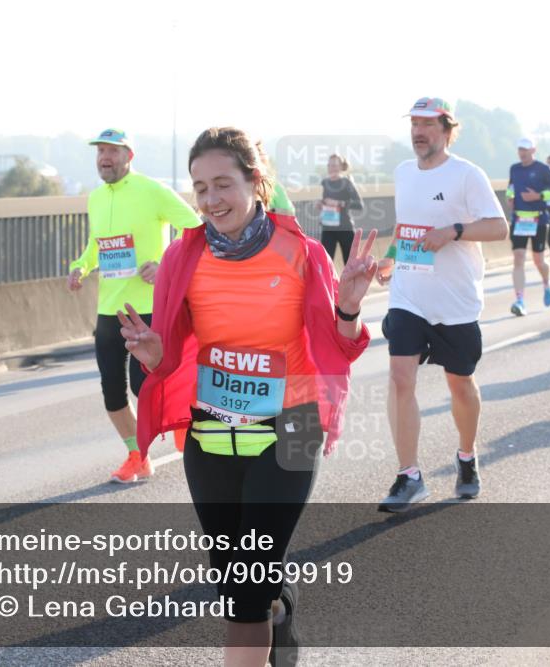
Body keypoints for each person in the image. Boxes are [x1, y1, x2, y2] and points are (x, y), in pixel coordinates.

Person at [121, 126, 375, 667]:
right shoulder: (182, 259)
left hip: (293, 423)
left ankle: (265, 608)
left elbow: (340, 349)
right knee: (235, 574)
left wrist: (348, 309)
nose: (211, 200)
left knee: (246, 586)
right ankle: (278, 611)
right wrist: (152, 357)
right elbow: (172, 357)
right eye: (200, 188)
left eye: (223, 184)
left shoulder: (301, 253)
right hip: (213, 425)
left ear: (255, 183)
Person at [375, 96, 508, 511]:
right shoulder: (402, 173)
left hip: (455, 300)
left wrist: (453, 230)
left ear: (447, 130)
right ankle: (409, 475)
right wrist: (392, 259)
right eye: (414, 123)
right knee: (400, 378)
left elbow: (499, 227)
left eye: (428, 124)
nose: (418, 131)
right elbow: (406, 227)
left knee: (459, 383)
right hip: (409, 294)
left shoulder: (467, 175)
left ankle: (466, 457)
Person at [68, 128, 200, 483]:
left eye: (112, 151)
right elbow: (95, 247)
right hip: (109, 309)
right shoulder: (96, 197)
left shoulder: (152, 190)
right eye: (100, 152)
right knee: (112, 390)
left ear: (129, 155)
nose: (104, 158)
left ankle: (182, 422)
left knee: (144, 386)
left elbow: (196, 229)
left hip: (149, 308)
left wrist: (165, 266)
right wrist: (80, 267)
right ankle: (137, 456)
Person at [505, 138, 550, 315]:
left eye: (526, 150)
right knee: (519, 258)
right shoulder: (515, 168)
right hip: (520, 219)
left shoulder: (543, 169)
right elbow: (511, 186)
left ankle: (546, 282)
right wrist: (510, 197)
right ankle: (520, 300)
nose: (522, 153)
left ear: (533, 150)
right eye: (520, 149)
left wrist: (538, 196)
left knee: (538, 261)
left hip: (539, 220)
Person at [319, 153, 364, 263]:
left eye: (334, 165)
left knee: (349, 265)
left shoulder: (346, 182)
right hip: (328, 229)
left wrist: (339, 203)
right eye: (329, 165)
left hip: (345, 229)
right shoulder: (325, 182)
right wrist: (321, 205)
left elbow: (359, 205)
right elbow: (327, 202)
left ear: (341, 167)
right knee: (326, 264)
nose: (331, 168)